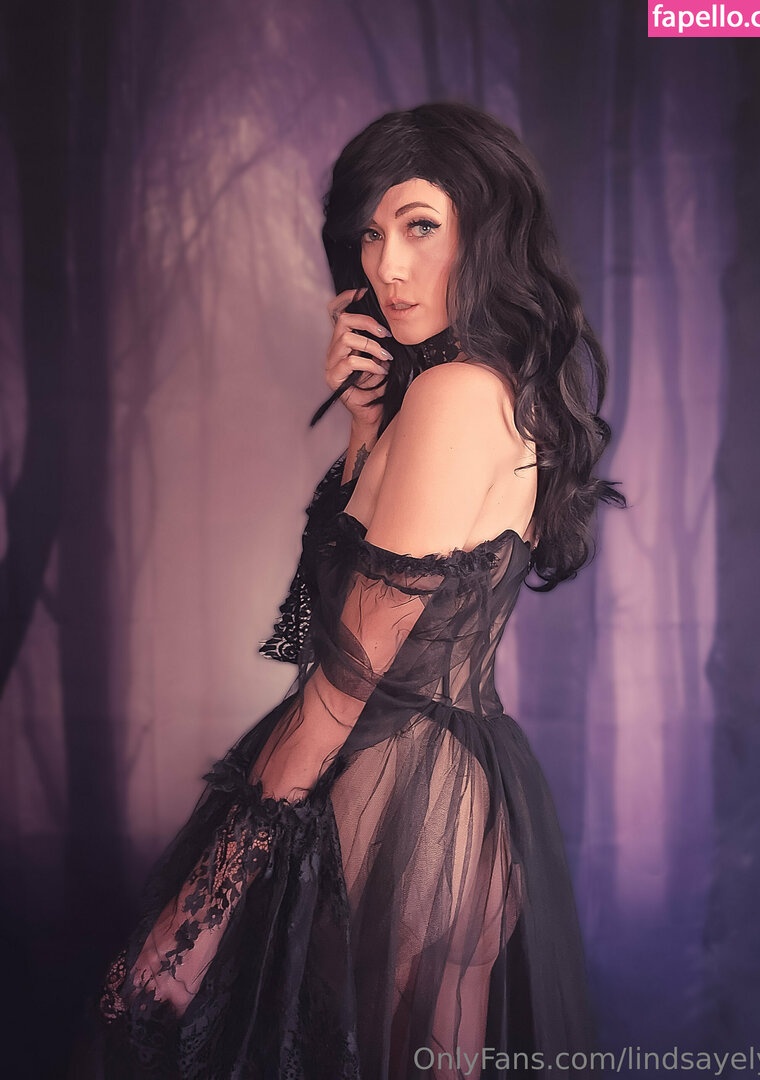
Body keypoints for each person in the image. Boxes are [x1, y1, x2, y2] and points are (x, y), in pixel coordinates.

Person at [79, 101, 626, 1079]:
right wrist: (366, 425)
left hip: (395, 805)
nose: (387, 268)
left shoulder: (456, 395)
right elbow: (324, 612)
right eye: (371, 236)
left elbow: (340, 679)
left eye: (419, 225)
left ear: (485, 227)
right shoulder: (489, 389)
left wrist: (197, 913)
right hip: (457, 806)